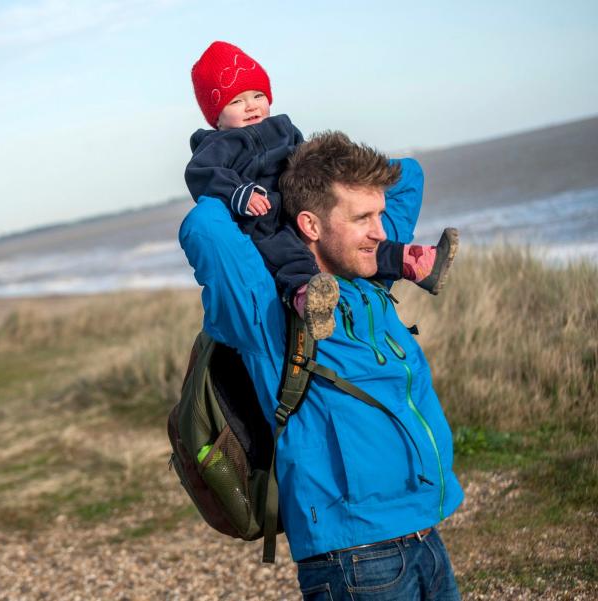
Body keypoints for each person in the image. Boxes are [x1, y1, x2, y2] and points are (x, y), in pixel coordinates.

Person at [179, 131, 464, 600]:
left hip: (426, 534)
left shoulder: (369, 277)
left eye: (378, 214)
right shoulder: (268, 311)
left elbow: (408, 174)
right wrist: (246, 186)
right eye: (362, 218)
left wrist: (303, 163)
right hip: (354, 560)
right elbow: (205, 225)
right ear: (310, 226)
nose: (381, 231)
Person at [185, 41, 457, 340]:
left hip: (301, 200)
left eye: (258, 95)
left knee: (348, 234)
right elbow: (203, 176)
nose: (251, 105)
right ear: (217, 116)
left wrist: (334, 178)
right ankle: (309, 298)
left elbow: (305, 157)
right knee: (286, 252)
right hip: (264, 220)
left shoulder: (283, 128)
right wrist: (241, 194)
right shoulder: (215, 146)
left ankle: (413, 263)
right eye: (236, 101)